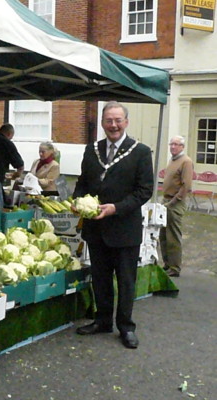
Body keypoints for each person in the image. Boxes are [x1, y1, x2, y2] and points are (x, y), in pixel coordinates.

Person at [73, 101, 153, 349]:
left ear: (126, 122)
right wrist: (77, 200)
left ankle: (126, 327)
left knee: (126, 281)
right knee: (100, 278)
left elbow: (144, 191)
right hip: (96, 229)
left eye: (118, 120)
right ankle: (103, 320)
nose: (113, 125)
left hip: (125, 229)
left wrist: (115, 208)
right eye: (109, 120)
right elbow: (83, 182)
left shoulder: (140, 151)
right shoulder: (92, 150)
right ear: (102, 123)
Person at [159, 136, 193, 278]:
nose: (172, 147)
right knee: (163, 235)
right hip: (166, 200)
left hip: (175, 203)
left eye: (176, 144)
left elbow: (186, 186)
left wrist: (173, 201)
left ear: (182, 147)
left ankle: (175, 267)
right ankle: (167, 264)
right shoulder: (172, 160)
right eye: (171, 144)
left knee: (173, 236)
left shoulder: (186, 161)